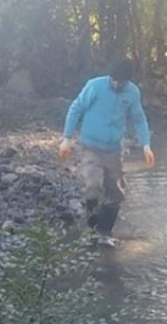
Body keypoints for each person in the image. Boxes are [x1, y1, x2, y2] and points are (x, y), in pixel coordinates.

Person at [58, 59, 155, 243]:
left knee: (115, 193)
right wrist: (66, 139)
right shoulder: (95, 86)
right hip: (90, 147)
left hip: (113, 150)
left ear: (128, 80)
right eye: (114, 79)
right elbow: (76, 109)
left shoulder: (132, 92)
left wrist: (146, 145)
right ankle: (91, 230)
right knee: (93, 185)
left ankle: (104, 233)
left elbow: (139, 118)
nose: (117, 84)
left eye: (121, 81)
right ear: (110, 76)